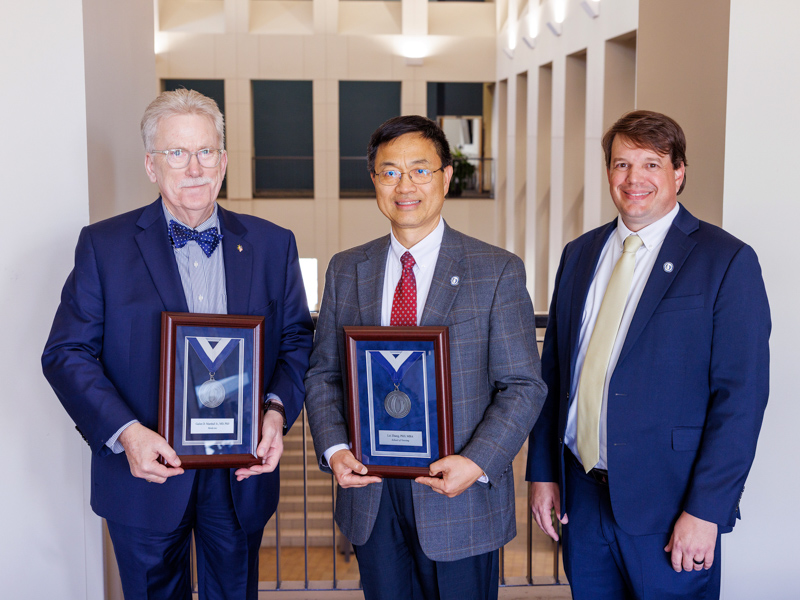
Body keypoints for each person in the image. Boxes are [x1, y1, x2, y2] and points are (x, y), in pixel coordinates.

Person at [41, 89, 313, 600]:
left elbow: (298, 338)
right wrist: (127, 434)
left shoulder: (274, 243)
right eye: (176, 153)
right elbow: (66, 352)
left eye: (206, 151)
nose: (194, 167)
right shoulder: (104, 246)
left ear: (224, 161)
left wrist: (275, 412)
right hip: (144, 474)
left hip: (240, 472)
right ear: (151, 165)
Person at [526, 110, 770, 599]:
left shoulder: (726, 261)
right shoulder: (580, 253)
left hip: (670, 509)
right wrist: (543, 473)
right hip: (582, 496)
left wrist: (706, 512)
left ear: (678, 172)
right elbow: (552, 372)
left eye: (651, 164)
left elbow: (740, 401)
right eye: (621, 164)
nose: (634, 178)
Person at [304, 115, 547, 600]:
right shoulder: (347, 268)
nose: (405, 185)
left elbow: (522, 385)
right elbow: (323, 374)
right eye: (389, 172)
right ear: (374, 180)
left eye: (420, 170)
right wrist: (335, 451)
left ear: (447, 176)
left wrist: (477, 462)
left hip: (458, 495)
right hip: (371, 491)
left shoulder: (495, 270)